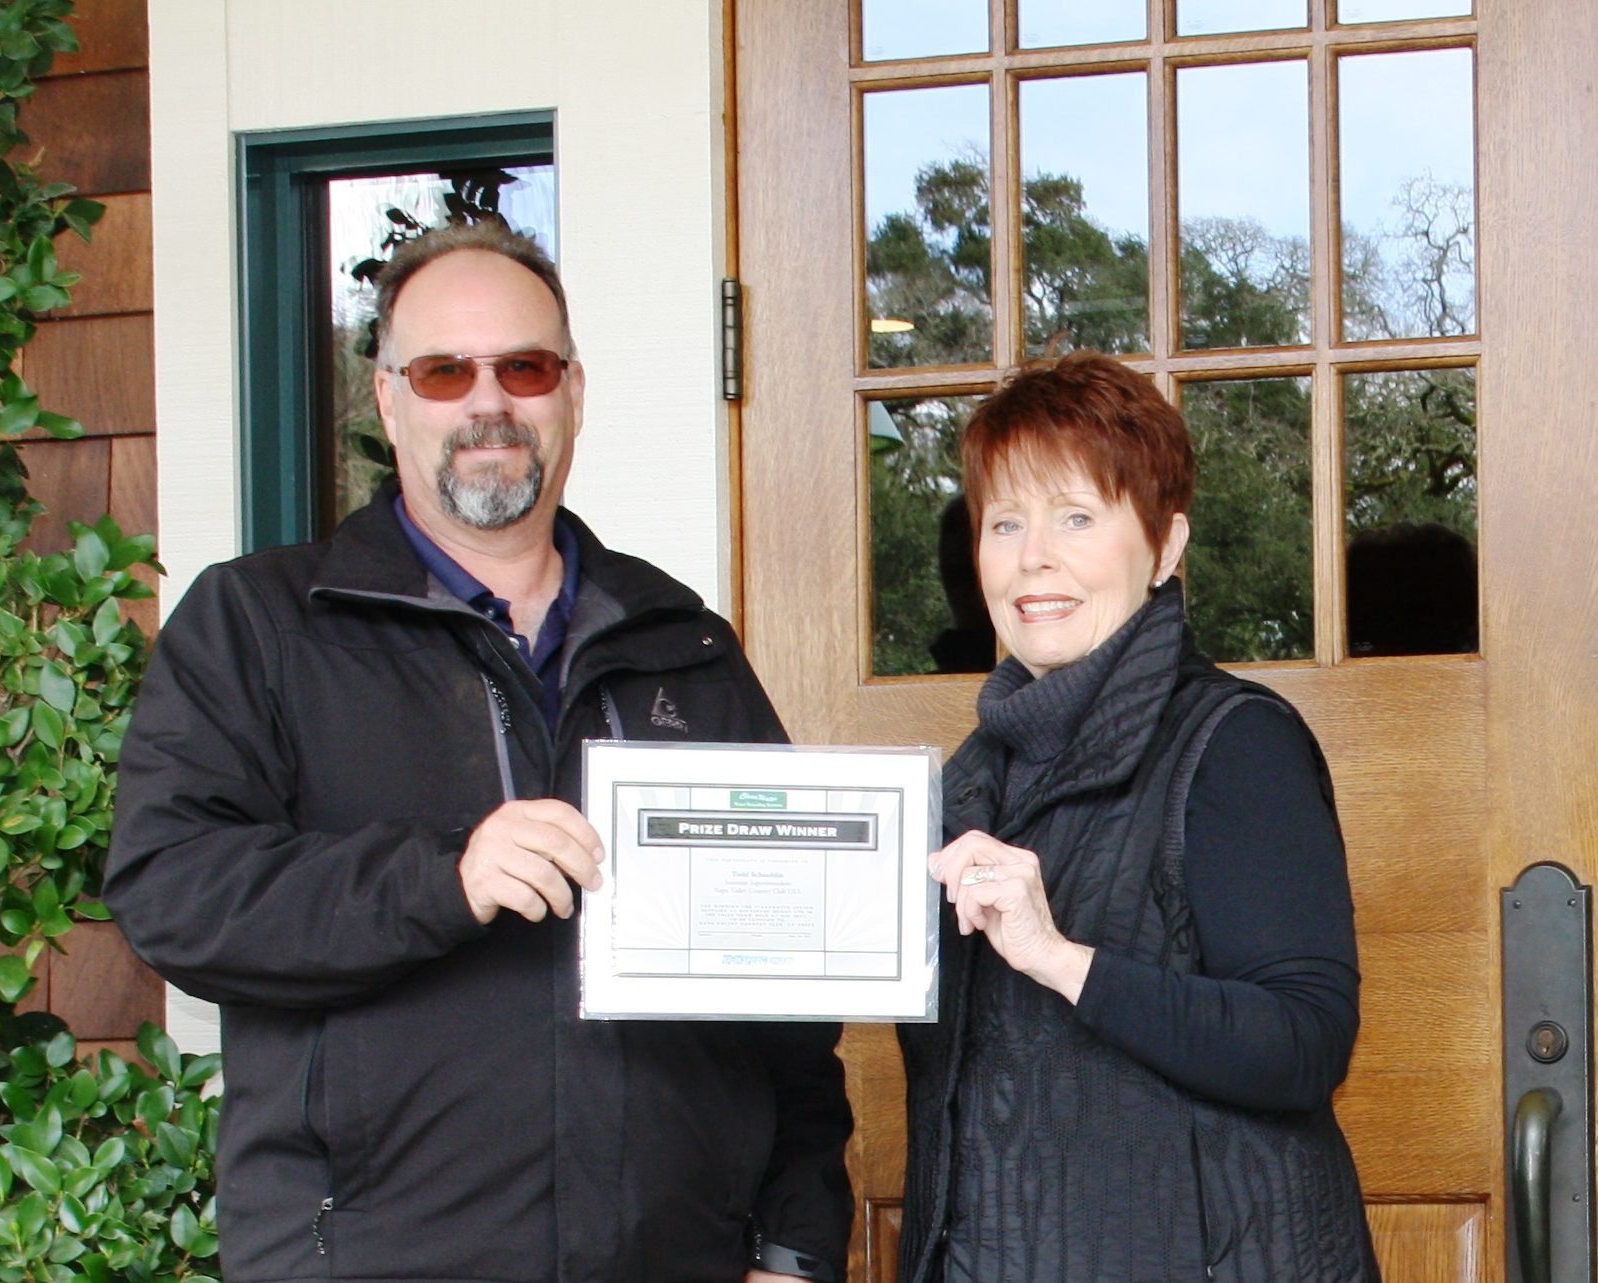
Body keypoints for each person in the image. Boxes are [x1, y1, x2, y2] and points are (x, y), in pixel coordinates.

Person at [104, 220, 853, 1283]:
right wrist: (442, 874)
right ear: (388, 398)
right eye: (445, 370)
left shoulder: (680, 642)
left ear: (574, 394)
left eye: (525, 366)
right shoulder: (260, 623)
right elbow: (172, 890)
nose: (488, 402)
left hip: (672, 1255)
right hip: (372, 1260)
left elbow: (787, 979)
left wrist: (793, 1237)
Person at [897, 352, 1379, 1282]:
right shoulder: (962, 786)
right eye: (1006, 521)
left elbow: (1305, 1041)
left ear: (1165, 546)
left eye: (1077, 516)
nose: (1034, 555)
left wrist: (1060, 957)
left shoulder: (1235, 744)